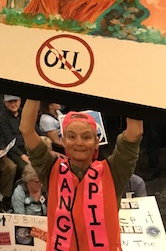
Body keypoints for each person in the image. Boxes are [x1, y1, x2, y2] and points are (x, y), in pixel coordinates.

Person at [20, 99, 143, 249]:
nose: (79, 143)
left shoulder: (114, 171)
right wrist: (35, 91)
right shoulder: (50, 169)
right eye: (72, 137)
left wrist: (131, 91)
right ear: (63, 141)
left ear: (97, 142)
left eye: (86, 137)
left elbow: (135, 132)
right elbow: (26, 129)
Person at [0, 94, 30, 173]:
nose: (13, 104)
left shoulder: (24, 112)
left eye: (15, 101)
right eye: (10, 102)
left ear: (20, 101)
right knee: (26, 168)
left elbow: (36, 129)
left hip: (29, 147)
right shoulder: (1, 117)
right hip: (14, 150)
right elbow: (9, 140)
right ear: (5, 103)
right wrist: (23, 156)